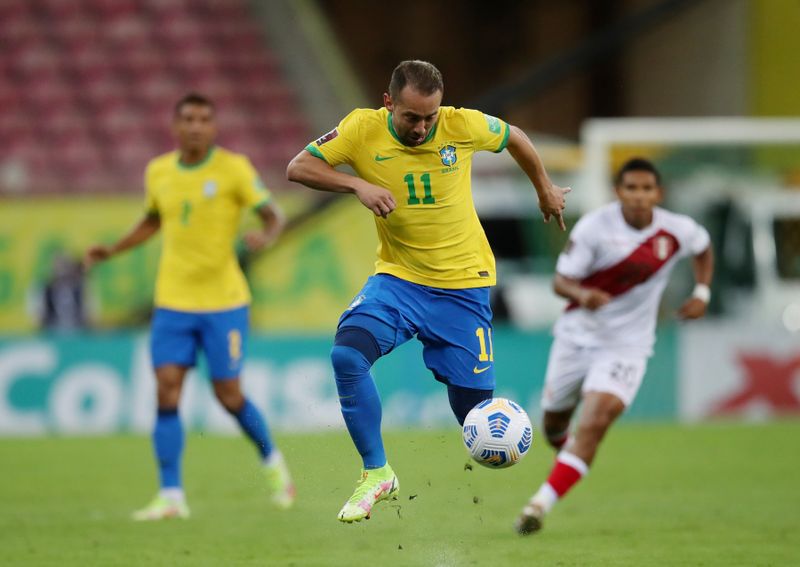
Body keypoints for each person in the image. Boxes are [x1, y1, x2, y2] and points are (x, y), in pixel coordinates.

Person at [286, 60, 569, 523]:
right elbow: (299, 167)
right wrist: (357, 184)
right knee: (346, 356)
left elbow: (515, 135)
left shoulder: (462, 124)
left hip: (463, 289)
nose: (422, 127)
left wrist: (544, 189)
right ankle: (377, 472)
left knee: (474, 415)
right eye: (411, 117)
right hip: (398, 280)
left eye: (429, 117)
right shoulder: (360, 128)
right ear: (388, 103)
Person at [84, 93, 294, 521]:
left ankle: (273, 462)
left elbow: (273, 215)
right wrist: (114, 250)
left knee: (228, 394)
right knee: (166, 391)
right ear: (175, 126)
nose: (196, 126)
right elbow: (152, 220)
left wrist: (265, 236)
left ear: (214, 127)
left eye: (203, 119)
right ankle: (171, 495)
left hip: (224, 303)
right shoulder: (158, 171)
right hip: (173, 302)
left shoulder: (234, 169)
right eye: (188, 119)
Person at [514, 157, 714, 535]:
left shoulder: (677, 230)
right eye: (631, 188)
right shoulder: (594, 228)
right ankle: (568, 455)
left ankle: (538, 504)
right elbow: (560, 282)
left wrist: (702, 292)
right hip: (578, 337)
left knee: (594, 421)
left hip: (628, 346)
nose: (639, 197)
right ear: (618, 191)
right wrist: (582, 292)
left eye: (646, 189)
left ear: (659, 193)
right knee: (554, 421)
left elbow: (703, 248)